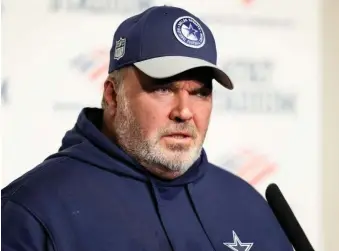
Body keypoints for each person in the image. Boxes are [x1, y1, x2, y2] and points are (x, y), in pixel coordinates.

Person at [2, 5, 293, 251]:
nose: (184, 111)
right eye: (163, 89)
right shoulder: (32, 211)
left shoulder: (249, 206)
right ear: (112, 96)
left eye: (200, 92)